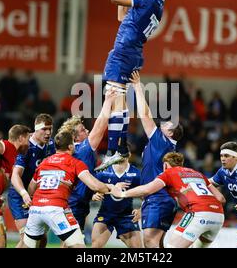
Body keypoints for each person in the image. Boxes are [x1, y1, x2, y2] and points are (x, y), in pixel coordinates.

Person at [100, 0, 165, 168]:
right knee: (120, 98)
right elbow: (122, 15)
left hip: (124, 50)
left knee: (114, 95)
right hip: (133, 52)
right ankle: (121, 148)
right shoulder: (157, 5)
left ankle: (113, 150)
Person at [111, 152, 225, 248]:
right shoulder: (198, 174)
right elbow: (221, 198)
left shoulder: (168, 173)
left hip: (198, 213)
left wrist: (122, 194)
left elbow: (147, 189)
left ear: (165, 165)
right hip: (219, 216)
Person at [121, 71, 183, 248]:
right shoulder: (164, 145)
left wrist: (138, 87)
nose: (162, 123)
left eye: (167, 124)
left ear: (170, 133)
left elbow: (145, 115)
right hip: (159, 198)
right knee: (158, 242)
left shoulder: (161, 142)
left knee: (149, 240)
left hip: (159, 198)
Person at [19, 131, 112, 248]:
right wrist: (110, 188)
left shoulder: (44, 163)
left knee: (26, 246)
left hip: (35, 210)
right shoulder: (75, 163)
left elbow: (31, 188)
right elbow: (95, 186)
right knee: (79, 246)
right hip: (56, 209)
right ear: (70, 146)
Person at [58, 88, 117, 235]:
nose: (88, 132)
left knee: (71, 242)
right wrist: (108, 100)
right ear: (75, 138)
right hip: (74, 204)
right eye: (83, 130)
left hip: (77, 202)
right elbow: (101, 125)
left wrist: (90, 194)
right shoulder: (83, 148)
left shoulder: (73, 151)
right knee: (74, 243)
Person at [9, 114, 56, 247]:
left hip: (37, 196)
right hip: (20, 196)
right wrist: (24, 193)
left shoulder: (51, 145)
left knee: (42, 240)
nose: (48, 133)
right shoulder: (26, 147)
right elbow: (15, 175)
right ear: (36, 129)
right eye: (44, 129)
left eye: (50, 129)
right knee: (28, 239)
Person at [91, 152, 142, 248]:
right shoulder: (103, 171)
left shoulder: (136, 174)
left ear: (129, 154)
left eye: (123, 152)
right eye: (118, 152)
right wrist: (94, 195)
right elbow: (92, 189)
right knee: (95, 246)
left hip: (126, 216)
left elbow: (146, 195)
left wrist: (141, 210)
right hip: (105, 214)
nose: (120, 154)